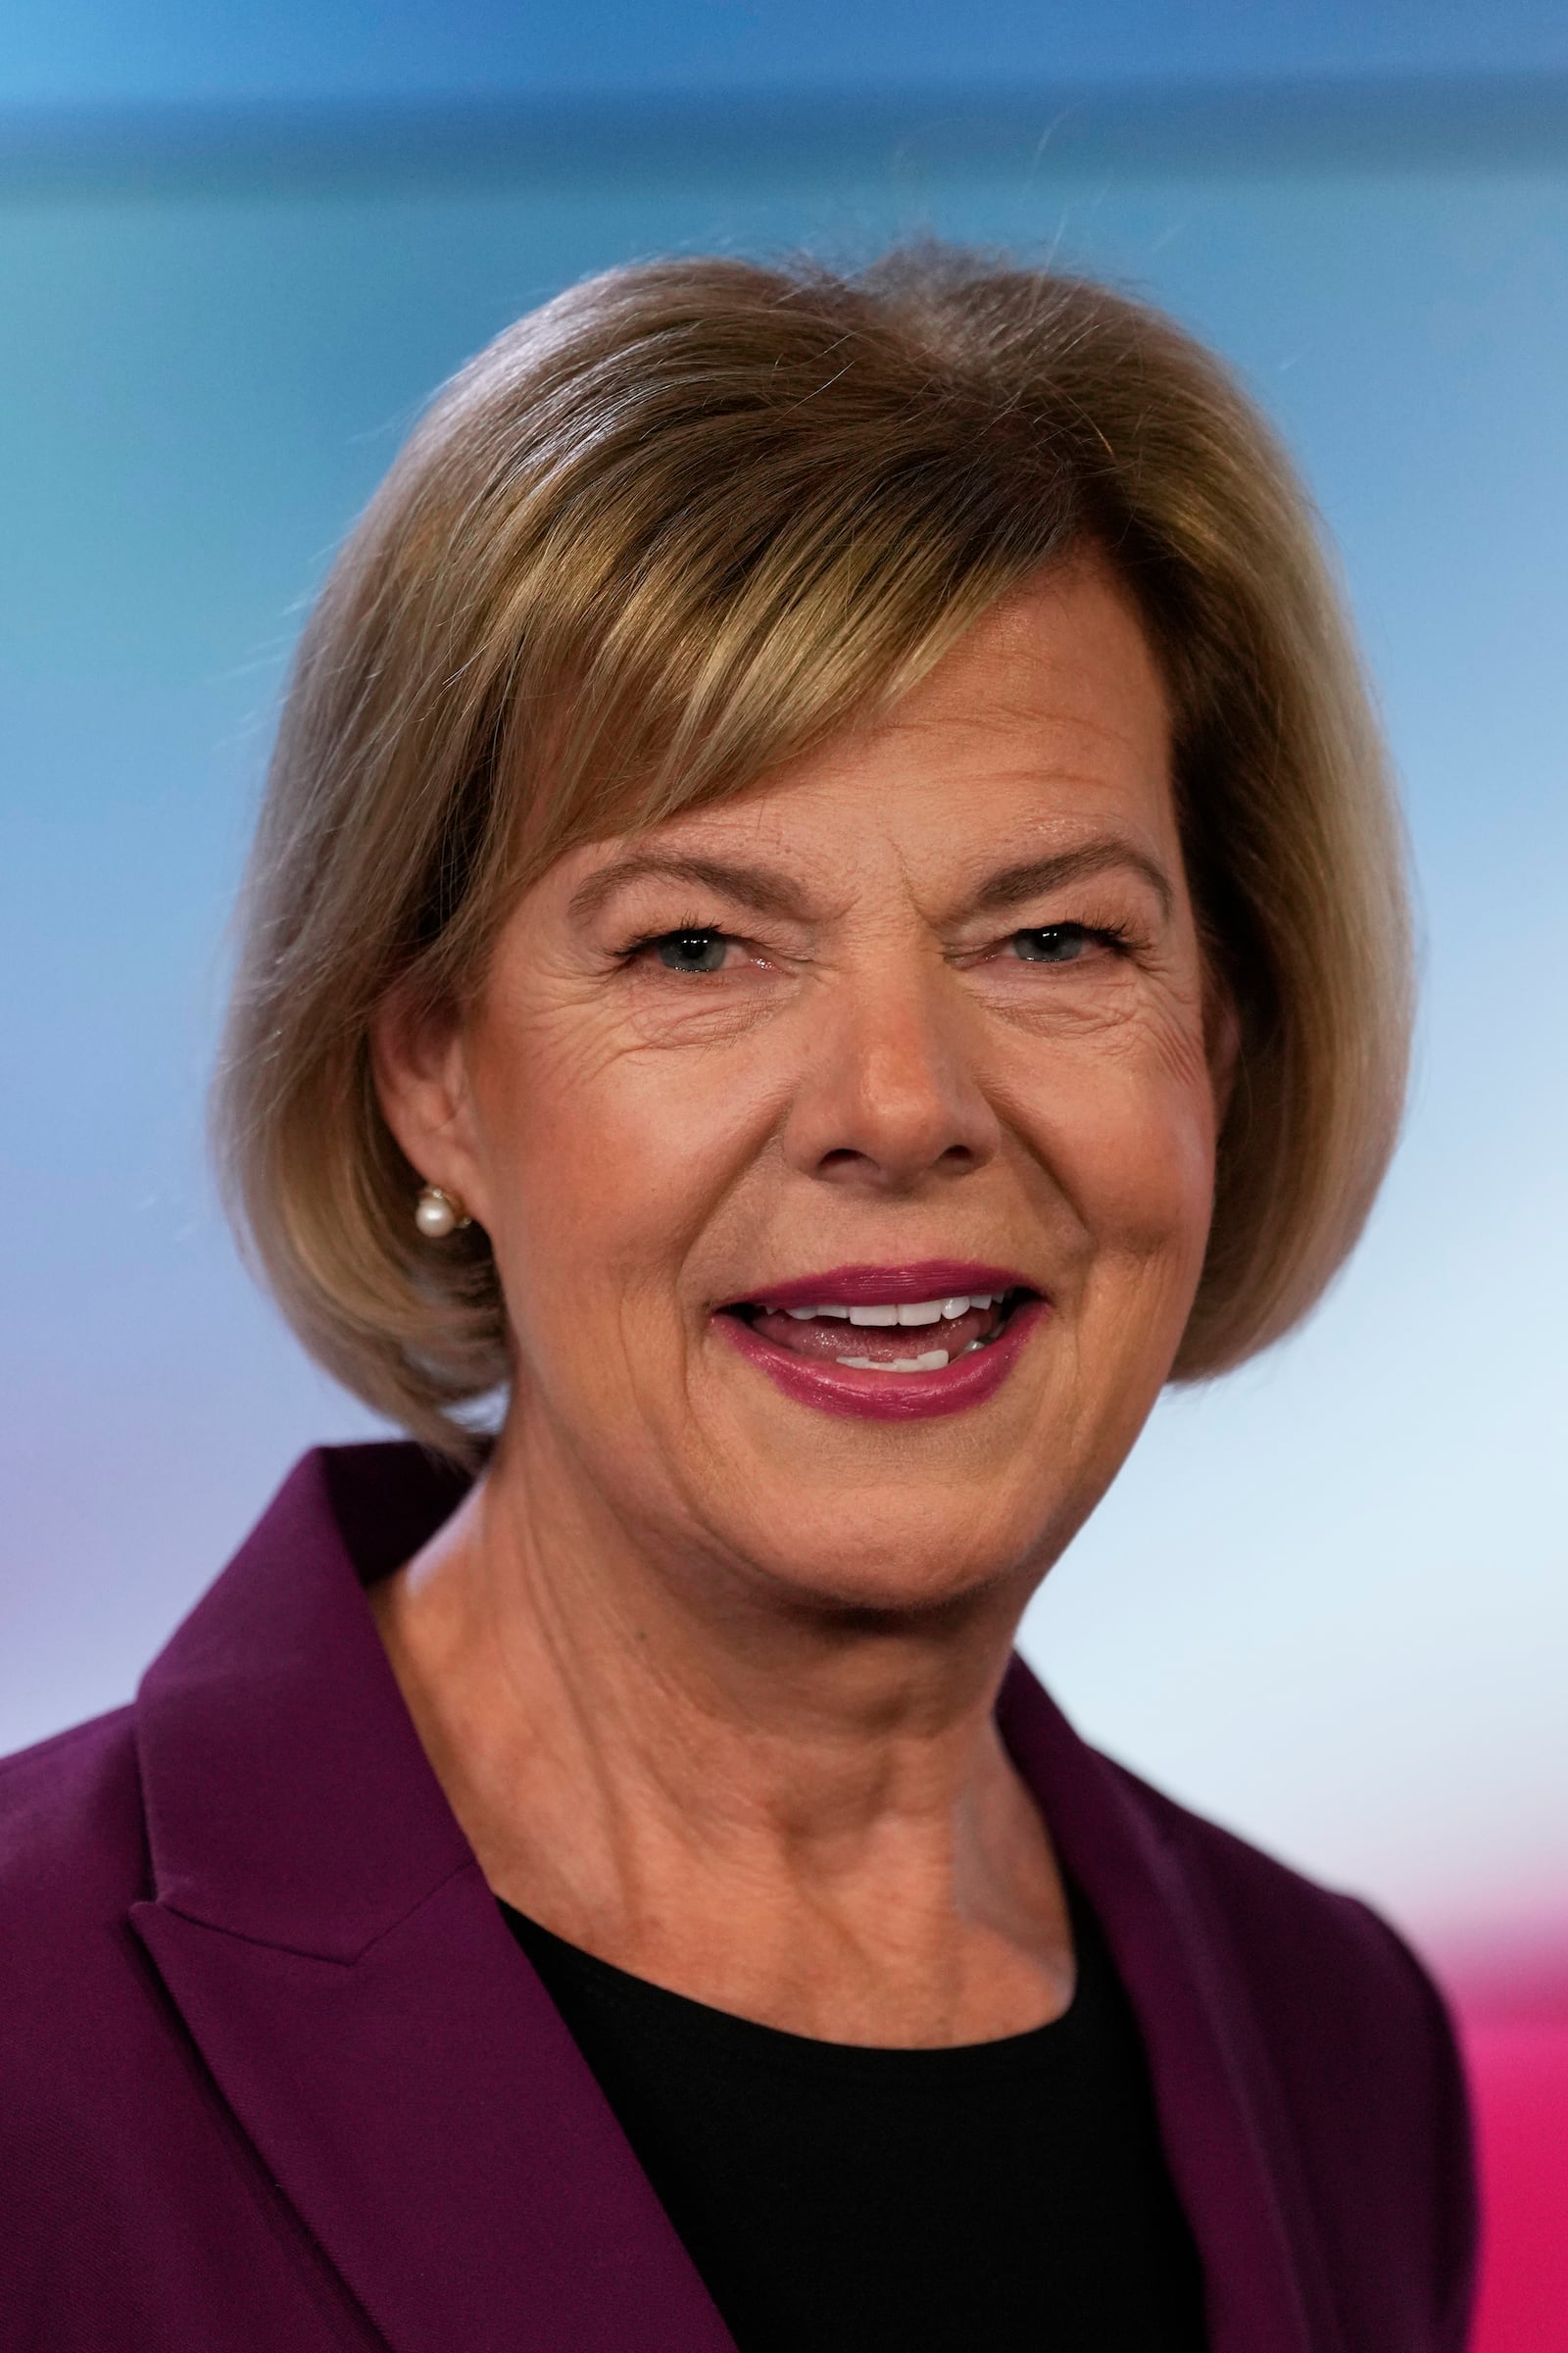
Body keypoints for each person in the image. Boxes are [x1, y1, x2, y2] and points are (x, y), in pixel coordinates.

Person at [0, 250, 1474, 2352]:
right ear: (433, 1073)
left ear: (1215, 1053)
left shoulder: (1338, 2046)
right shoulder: (26, 2031)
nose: (900, 1103)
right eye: (697, 946)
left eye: (1052, 938)